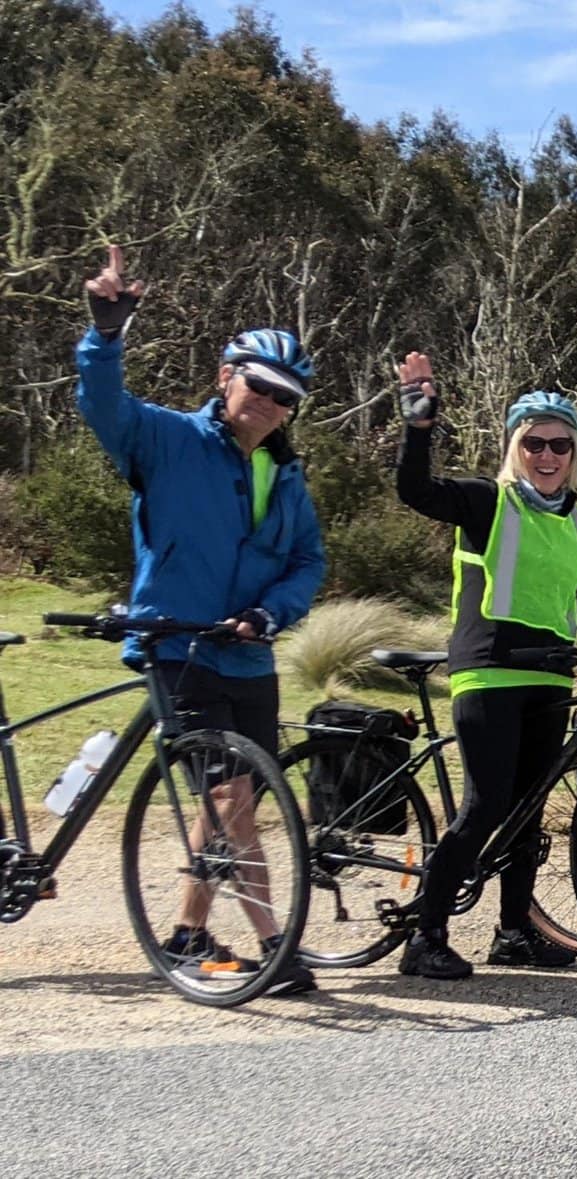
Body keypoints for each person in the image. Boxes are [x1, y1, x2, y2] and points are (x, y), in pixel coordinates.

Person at [76, 247, 324, 996]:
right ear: (226, 376)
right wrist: (106, 333)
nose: (270, 404)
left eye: (286, 396)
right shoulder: (167, 440)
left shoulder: (285, 478)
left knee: (228, 800)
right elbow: (102, 404)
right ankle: (276, 946)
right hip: (177, 645)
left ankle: (186, 930)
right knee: (232, 798)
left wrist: (267, 612)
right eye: (259, 386)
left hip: (247, 655)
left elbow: (307, 562)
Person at [393, 355, 577, 980]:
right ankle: (424, 934)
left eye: (560, 446)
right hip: (490, 671)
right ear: (516, 448)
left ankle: (514, 931)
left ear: (575, 454)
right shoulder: (487, 502)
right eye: (535, 443)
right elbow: (415, 492)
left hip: (550, 675)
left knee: (530, 810)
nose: (548, 456)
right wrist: (417, 421)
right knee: (488, 805)